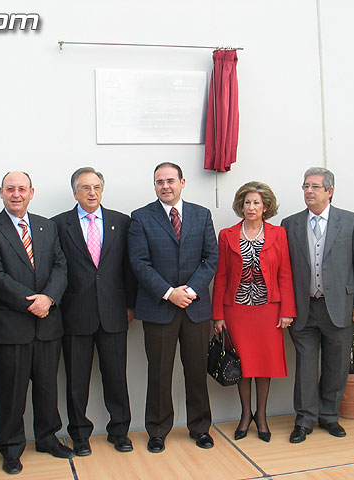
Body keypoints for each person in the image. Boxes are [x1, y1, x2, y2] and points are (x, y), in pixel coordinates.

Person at [0, 172, 72, 475]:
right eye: (10, 189)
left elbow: (61, 266)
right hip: (11, 327)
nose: (16, 194)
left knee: (47, 389)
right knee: (12, 393)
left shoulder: (47, 226)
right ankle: (10, 448)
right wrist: (33, 302)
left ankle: (47, 438)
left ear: (32, 192)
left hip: (47, 324)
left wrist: (49, 299)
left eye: (22, 189)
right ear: (1, 193)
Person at [128, 162, 218, 453]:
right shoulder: (141, 218)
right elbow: (139, 263)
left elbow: (211, 258)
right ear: (154, 185)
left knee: (196, 370)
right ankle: (157, 430)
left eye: (170, 180)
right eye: (159, 181)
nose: (165, 185)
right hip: (159, 308)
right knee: (159, 372)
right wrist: (169, 293)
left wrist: (189, 291)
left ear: (182, 182)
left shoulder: (202, 215)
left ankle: (200, 427)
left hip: (195, 308)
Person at [282, 167, 354, 444]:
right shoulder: (290, 224)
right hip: (304, 307)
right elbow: (283, 269)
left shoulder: (350, 221)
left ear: (329, 191)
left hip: (340, 306)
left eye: (315, 187)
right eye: (305, 186)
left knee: (337, 365)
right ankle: (305, 419)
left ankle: (330, 416)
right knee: (306, 367)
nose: (309, 191)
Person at [51, 167, 137, 456]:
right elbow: (57, 268)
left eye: (97, 187)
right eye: (85, 187)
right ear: (75, 192)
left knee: (116, 377)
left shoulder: (121, 222)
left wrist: (129, 305)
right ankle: (79, 434)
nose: (91, 193)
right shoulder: (58, 224)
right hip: (75, 314)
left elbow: (129, 267)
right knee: (76, 381)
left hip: (114, 312)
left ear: (102, 190)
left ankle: (120, 431)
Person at [212, 182, 296, 442]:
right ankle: (245, 415)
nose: (251, 207)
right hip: (236, 310)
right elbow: (221, 276)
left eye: (256, 203)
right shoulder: (227, 235)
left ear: (266, 206)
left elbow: (285, 273)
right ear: (241, 205)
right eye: (247, 202)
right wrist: (218, 315)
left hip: (268, 310)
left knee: (264, 365)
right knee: (243, 365)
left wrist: (287, 311)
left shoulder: (278, 234)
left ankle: (262, 417)